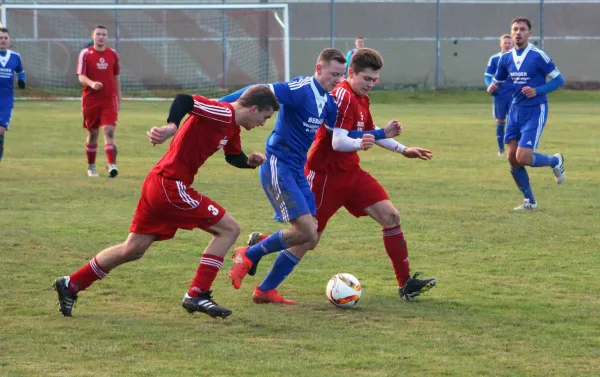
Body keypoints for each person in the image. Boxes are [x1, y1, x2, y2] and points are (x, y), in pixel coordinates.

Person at [53, 85, 279, 319]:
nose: (263, 123)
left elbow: (233, 156)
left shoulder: (232, 129)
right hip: (170, 186)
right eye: (265, 117)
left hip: (158, 184)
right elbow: (185, 100)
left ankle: (71, 283)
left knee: (133, 249)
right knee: (229, 229)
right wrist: (171, 127)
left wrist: (249, 162)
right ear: (253, 109)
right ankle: (197, 293)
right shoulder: (221, 112)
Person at [244, 49, 437, 302]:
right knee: (308, 239)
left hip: (351, 173)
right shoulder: (342, 96)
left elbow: (370, 131)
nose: (371, 84)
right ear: (351, 73)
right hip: (325, 177)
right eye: (366, 79)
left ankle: (406, 285)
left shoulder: (361, 97)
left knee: (391, 216)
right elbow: (338, 142)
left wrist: (403, 149)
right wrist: (364, 142)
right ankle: (263, 282)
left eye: (374, 79)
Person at [487, 17, 565, 211]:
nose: (518, 32)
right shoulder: (505, 58)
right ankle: (529, 201)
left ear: (529, 33)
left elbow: (559, 80)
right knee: (512, 158)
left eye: (522, 29)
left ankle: (555, 160)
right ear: (511, 33)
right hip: (515, 110)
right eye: (515, 29)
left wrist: (537, 90)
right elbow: (498, 80)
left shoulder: (538, 56)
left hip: (535, 109)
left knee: (523, 157)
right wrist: (493, 86)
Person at [77, 25, 122, 178]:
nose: (101, 37)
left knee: (109, 131)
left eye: (104, 34)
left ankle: (112, 165)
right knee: (93, 133)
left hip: (109, 100)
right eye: (98, 34)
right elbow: (81, 76)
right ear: (93, 36)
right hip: (91, 101)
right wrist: (92, 84)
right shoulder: (86, 54)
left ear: (107, 37)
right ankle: (91, 166)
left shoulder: (113, 54)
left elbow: (116, 77)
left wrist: (119, 97)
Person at [485, 34, 514, 156]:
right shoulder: (494, 59)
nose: (507, 45)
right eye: (505, 43)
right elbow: (488, 75)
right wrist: (490, 85)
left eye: (509, 43)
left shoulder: (517, 58)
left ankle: (514, 148)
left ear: (512, 44)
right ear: (501, 44)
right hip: (500, 93)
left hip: (513, 92)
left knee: (514, 120)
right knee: (500, 120)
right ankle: (501, 150)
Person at [0, 28, 26, 161]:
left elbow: (21, 71)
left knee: (0, 132)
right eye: (0, 38)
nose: (3, 40)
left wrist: (22, 80)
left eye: (5, 37)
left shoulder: (15, 56)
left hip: (5, 102)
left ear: (9, 40)